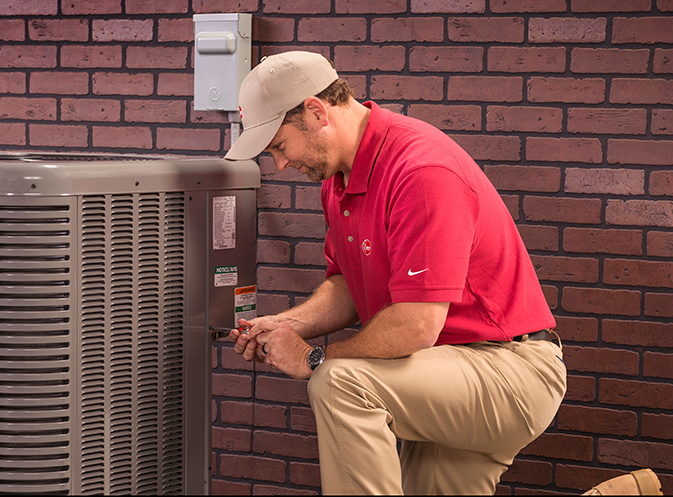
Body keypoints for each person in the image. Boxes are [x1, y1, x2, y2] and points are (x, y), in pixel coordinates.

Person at [224, 51, 567, 495]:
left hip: (508, 370)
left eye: (279, 146)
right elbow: (347, 286)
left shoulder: (420, 170)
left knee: (339, 383)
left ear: (315, 111)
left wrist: (312, 358)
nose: (281, 165)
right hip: (443, 372)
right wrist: (285, 326)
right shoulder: (337, 182)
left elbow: (416, 325)